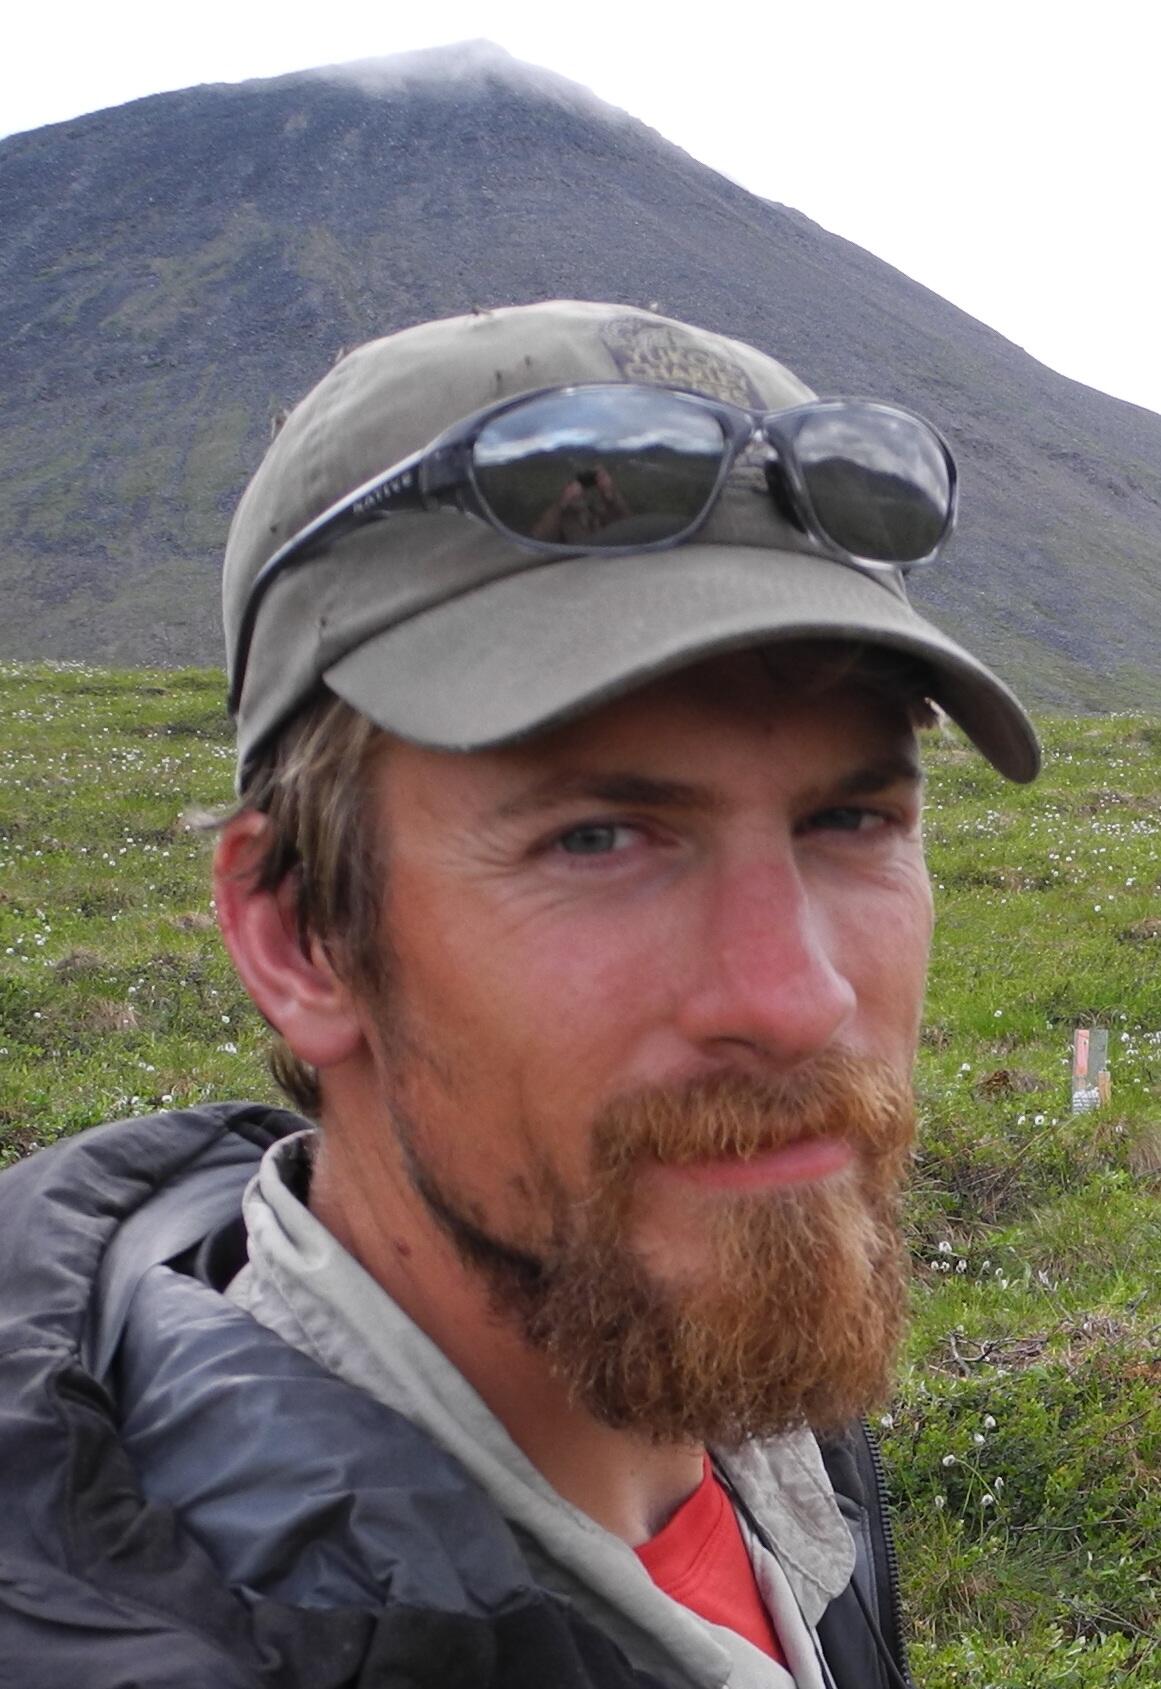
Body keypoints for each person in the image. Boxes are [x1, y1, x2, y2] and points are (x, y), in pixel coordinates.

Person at [0, 301, 1040, 1689]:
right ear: (299, 932)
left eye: (849, 819)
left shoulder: (739, 1373)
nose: (795, 998)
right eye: (598, 838)